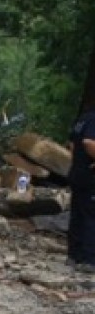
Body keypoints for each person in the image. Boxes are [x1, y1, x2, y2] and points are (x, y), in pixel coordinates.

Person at [68, 107, 95, 272]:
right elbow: (89, 142)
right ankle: (88, 259)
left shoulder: (84, 118)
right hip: (91, 175)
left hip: (77, 172)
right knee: (91, 216)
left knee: (77, 212)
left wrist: (78, 162)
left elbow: (72, 144)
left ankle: (74, 254)